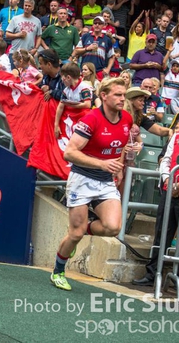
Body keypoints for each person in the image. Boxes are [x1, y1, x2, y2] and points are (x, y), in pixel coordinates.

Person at [51, 77, 133, 291]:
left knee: (113, 227)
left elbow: (120, 145)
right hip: (82, 179)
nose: (122, 99)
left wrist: (119, 167)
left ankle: (80, 231)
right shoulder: (91, 119)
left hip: (105, 181)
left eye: (124, 95)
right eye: (117, 95)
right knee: (75, 234)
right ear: (103, 96)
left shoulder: (127, 119)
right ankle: (58, 271)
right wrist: (101, 163)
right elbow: (69, 153)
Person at [132, 102, 179, 287]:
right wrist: (168, 180)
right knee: (161, 233)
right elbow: (166, 160)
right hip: (170, 191)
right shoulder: (177, 136)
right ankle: (152, 273)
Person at [54, 62, 92, 139]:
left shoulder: (84, 87)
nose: (62, 80)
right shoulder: (66, 90)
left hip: (82, 118)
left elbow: (87, 105)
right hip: (70, 117)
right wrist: (56, 124)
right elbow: (60, 106)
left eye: (62, 78)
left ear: (68, 77)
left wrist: (71, 105)